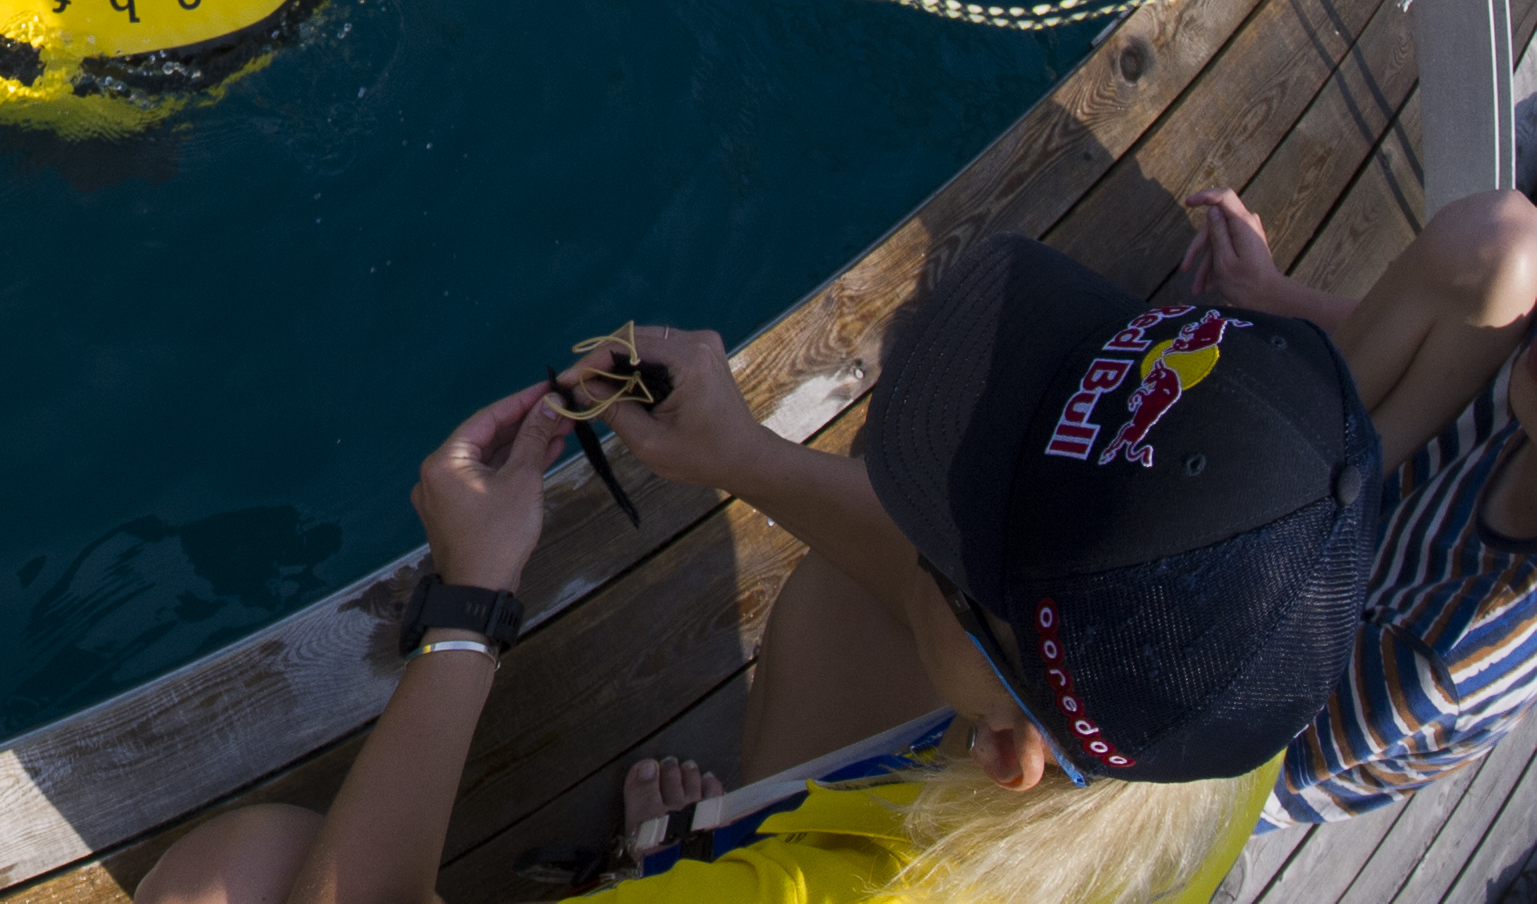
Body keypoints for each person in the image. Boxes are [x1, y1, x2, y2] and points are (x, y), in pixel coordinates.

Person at [141, 233, 1379, 904]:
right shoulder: (1230, 683)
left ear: (1014, 750)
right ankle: (687, 835)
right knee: (858, 594)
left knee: (237, 871)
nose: (915, 507)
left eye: (957, 541)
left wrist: (468, 603)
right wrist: (741, 453)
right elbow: (926, 590)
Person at [1168, 181, 1537, 830]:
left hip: (1220, 744)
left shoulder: (1442, 654)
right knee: (1504, 243)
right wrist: (1272, 295)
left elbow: (1211, 769)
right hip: (1338, 523)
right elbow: (1461, 330)